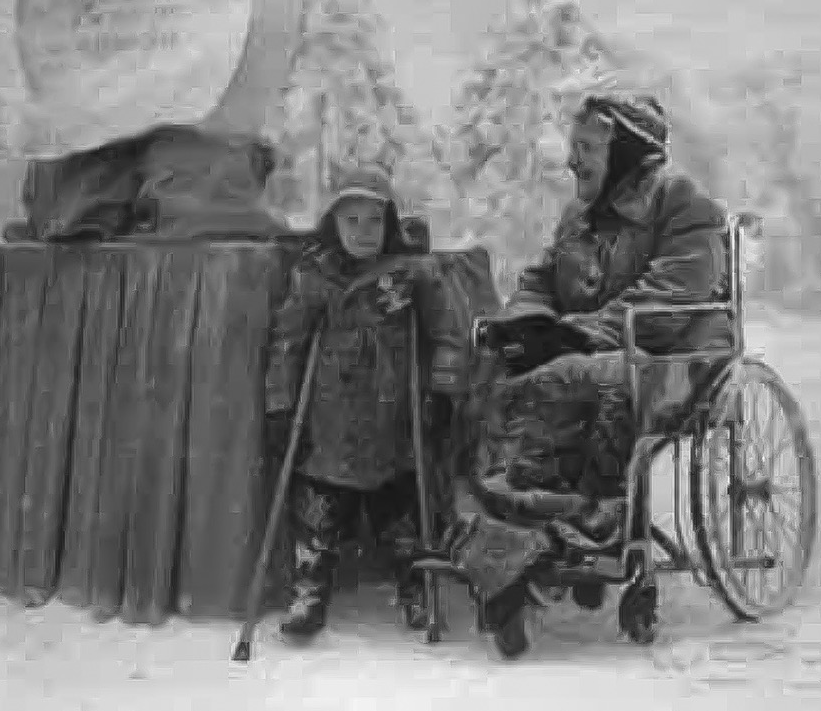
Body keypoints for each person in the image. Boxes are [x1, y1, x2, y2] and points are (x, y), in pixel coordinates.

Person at [447, 86, 729, 658]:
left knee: (583, 380)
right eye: (573, 147)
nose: (571, 161)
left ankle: (585, 527)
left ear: (626, 155)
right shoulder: (579, 215)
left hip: (674, 355)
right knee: (502, 378)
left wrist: (575, 336)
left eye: (586, 150)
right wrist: (526, 324)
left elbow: (674, 296)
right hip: (598, 351)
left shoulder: (681, 203)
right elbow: (540, 281)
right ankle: (519, 532)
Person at [264, 164, 462, 640]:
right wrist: (280, 403)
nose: (364, 232)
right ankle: (309, 591)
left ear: (390, 222)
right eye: (352, 221)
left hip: (395, 414)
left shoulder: (415, 273)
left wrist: (443, 389)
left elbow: (447, 334)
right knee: (318, 509)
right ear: (333, 222)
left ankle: (417, 586)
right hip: (332, 415)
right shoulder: (315, 274)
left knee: (403, 510)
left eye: (374, 221)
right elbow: (288, 341)